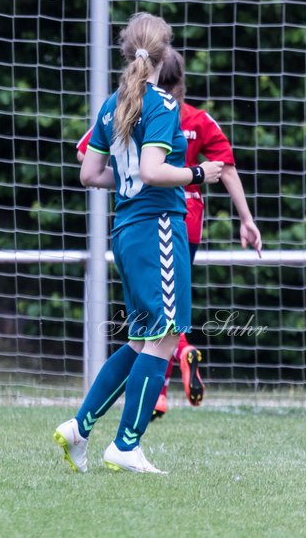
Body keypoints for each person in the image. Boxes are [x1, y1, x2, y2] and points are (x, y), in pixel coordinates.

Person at [54, 12, 224, 474]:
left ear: (129, 51)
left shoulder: (113, 104)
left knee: (138, 341)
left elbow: (89, 174)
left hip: (127, 231)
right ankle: (125, 445)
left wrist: (129, 180)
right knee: (166, 336)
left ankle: (79, 427)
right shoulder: (163, 105)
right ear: (163, 53)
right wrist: (196, 173)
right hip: (158, 229)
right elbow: (152, 171)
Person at [76, 47, 262, 417]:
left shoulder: (122, 106)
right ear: (180, 80)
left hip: (136, 222)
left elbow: (86, 156)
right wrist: (246, 218)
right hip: (173, 221)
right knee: (164, 323)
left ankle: (147, 398)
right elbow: (224, 167)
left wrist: (125, 171)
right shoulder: (182, 113)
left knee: (152, 323)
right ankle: (138, 418)